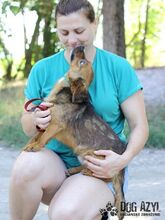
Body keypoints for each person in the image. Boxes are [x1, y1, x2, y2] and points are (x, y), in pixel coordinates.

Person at [9, 0, 149, 219]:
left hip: (101, 166)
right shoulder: (42, 68)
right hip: (54, 163)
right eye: (64, 32)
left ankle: (90, 207)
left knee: (65, 213)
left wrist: (122, 160)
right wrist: (35, 118)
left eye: (79, 30)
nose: (71, 40)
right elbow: (28, 126)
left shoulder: (118, 67)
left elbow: (140, 126)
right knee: (24, 168)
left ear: (95, 24)